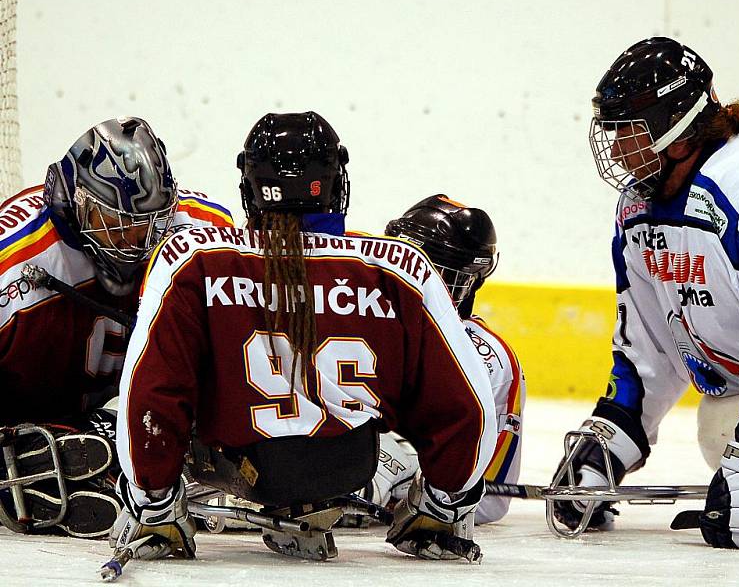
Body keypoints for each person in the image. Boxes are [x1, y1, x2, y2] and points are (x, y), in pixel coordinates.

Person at [110, 111, 497, 562]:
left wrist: (152, 504)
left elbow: (151, 394)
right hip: (352, 465)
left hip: (245, 468)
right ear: (337, 182)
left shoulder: (191, 259)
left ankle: (163, 511)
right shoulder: (401, 268)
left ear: (250, 187)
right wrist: (443, 504)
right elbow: (468, 406)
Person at [551, 36, 739, 550]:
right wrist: (609, 441)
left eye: (629, 130)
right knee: (720, 426)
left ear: (677, 127)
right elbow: (651, 346)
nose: (617, 146)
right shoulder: (637, 209)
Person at [0, 117, 233, 538]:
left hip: (147, 413)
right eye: (118, 225)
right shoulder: (13, 257)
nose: (138, 242)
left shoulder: (204, 230)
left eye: (150, 225)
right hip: (33, 410)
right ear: (75, 202)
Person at [364, 194, 524, 525]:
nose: (408, 279)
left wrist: (406, 477)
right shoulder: (358, 314)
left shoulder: (490, 358)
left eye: (428, 270)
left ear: (468, 280)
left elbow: (490, 499)